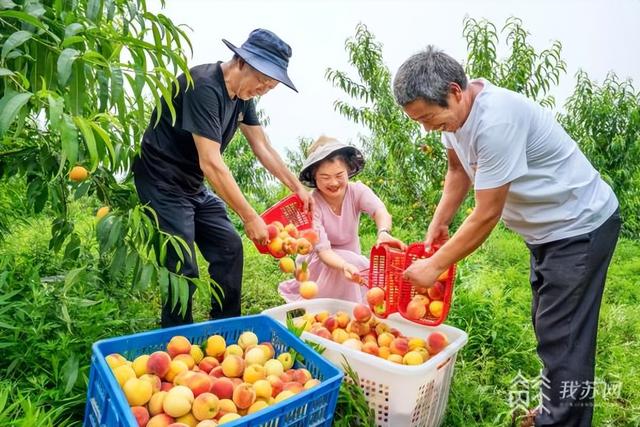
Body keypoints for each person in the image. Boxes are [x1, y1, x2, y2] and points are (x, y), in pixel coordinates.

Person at [393, 46, 620, 427]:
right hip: (548, 231)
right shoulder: (454, 118)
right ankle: (556, 410)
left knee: (563, 335)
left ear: (455, 91)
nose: (428, 129)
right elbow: (457, 171)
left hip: (579, 226)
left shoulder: (496, 121)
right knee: (550, 325)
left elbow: (486, 214)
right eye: (420, 121)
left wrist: (435, 264)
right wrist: (440, 220)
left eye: (430, 118)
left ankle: (561, 421)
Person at [133, 28, 313, 327]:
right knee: (182, 265)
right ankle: (176, 339)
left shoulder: (242, 96)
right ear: (242, 62)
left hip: (192, 184)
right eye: (263, 80)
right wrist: (250, 216)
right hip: (161, 180)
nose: (265, 88)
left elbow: (262, 146)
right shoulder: (204, 86)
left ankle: (225, 329)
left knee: (229, 247)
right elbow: (212, 162)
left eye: (271, 85)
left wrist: (297, 187)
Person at [278, 137, 405, 303]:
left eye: (339, 175)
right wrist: (345, 265)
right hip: (319, 263)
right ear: (314, 177)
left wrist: (383, 232)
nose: (333, 182)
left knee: (359, 274)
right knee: (350, 268)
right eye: (325, 177)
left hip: (352, 260)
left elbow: (380, 211)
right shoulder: (311, 205)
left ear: (348, 171)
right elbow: (323, 252)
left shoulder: (357, 191)